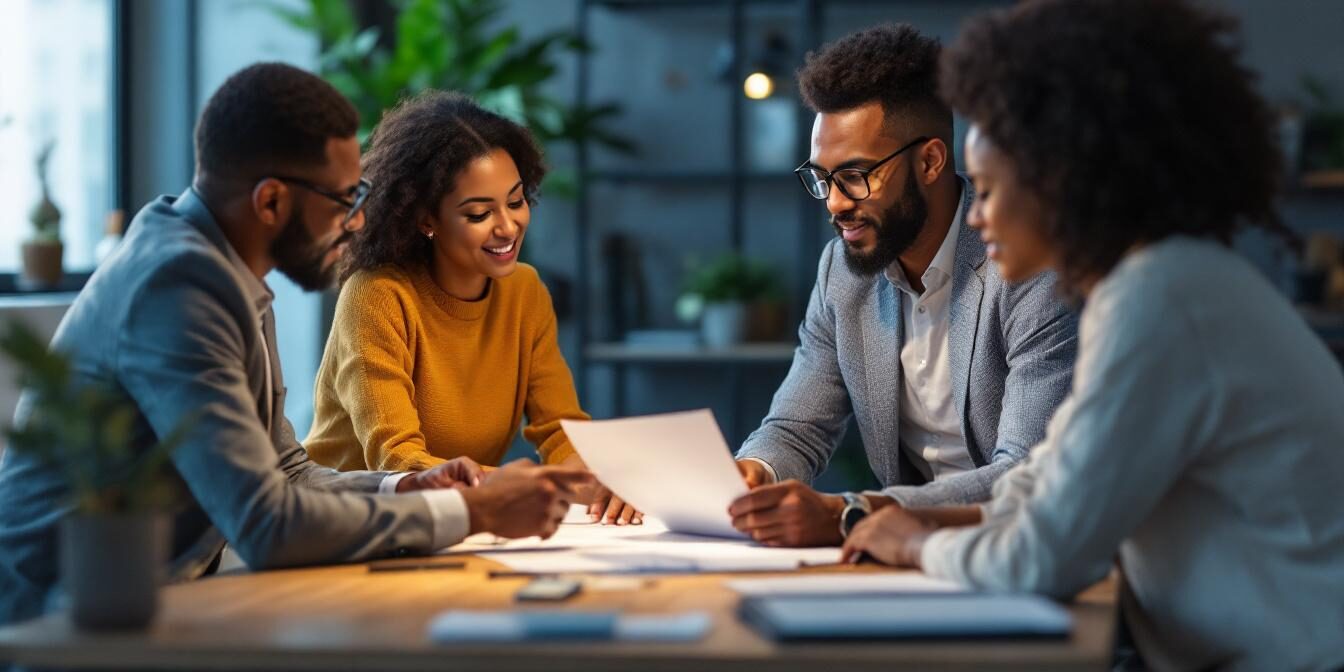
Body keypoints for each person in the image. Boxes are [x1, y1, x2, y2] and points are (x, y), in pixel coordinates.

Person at [840, 1, 1344, 669]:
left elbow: (1044, 557)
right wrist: (905, 520)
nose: (975, 218)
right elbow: (1046, 484)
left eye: (987, 190)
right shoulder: (1165, 281)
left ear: (1061, 182)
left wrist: (913, 546)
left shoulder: (1160, 298)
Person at [0, 63, 590, 626]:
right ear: (272, 202)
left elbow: (286, 471)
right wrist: (473, 510)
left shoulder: (223, 271)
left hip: (148, 600)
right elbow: (265, 525)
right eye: (344, 200)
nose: (358, 222)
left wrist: (408, 486)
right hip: (60, 626)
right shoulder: (180, 288)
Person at [728, 24, 1077, 547]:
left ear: (930, 161)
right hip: (909, 554)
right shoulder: (843, 271)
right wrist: (754, 473)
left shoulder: (1029, 267)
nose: (835, 202)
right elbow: (797, 427)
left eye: (855, 176)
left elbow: (1025, 473)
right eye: (823, 178)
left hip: (1015, 548)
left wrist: (854, 511)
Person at [304, 91, 638, 525]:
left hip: (455, 518)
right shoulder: (377, 296)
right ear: (427, 220)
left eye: (516, 202)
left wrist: (598, 477)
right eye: (479, 214)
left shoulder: (525, 291)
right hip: (345, 523)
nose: (508, 227)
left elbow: (561, 430)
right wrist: (539, 484)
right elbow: (401, 461)